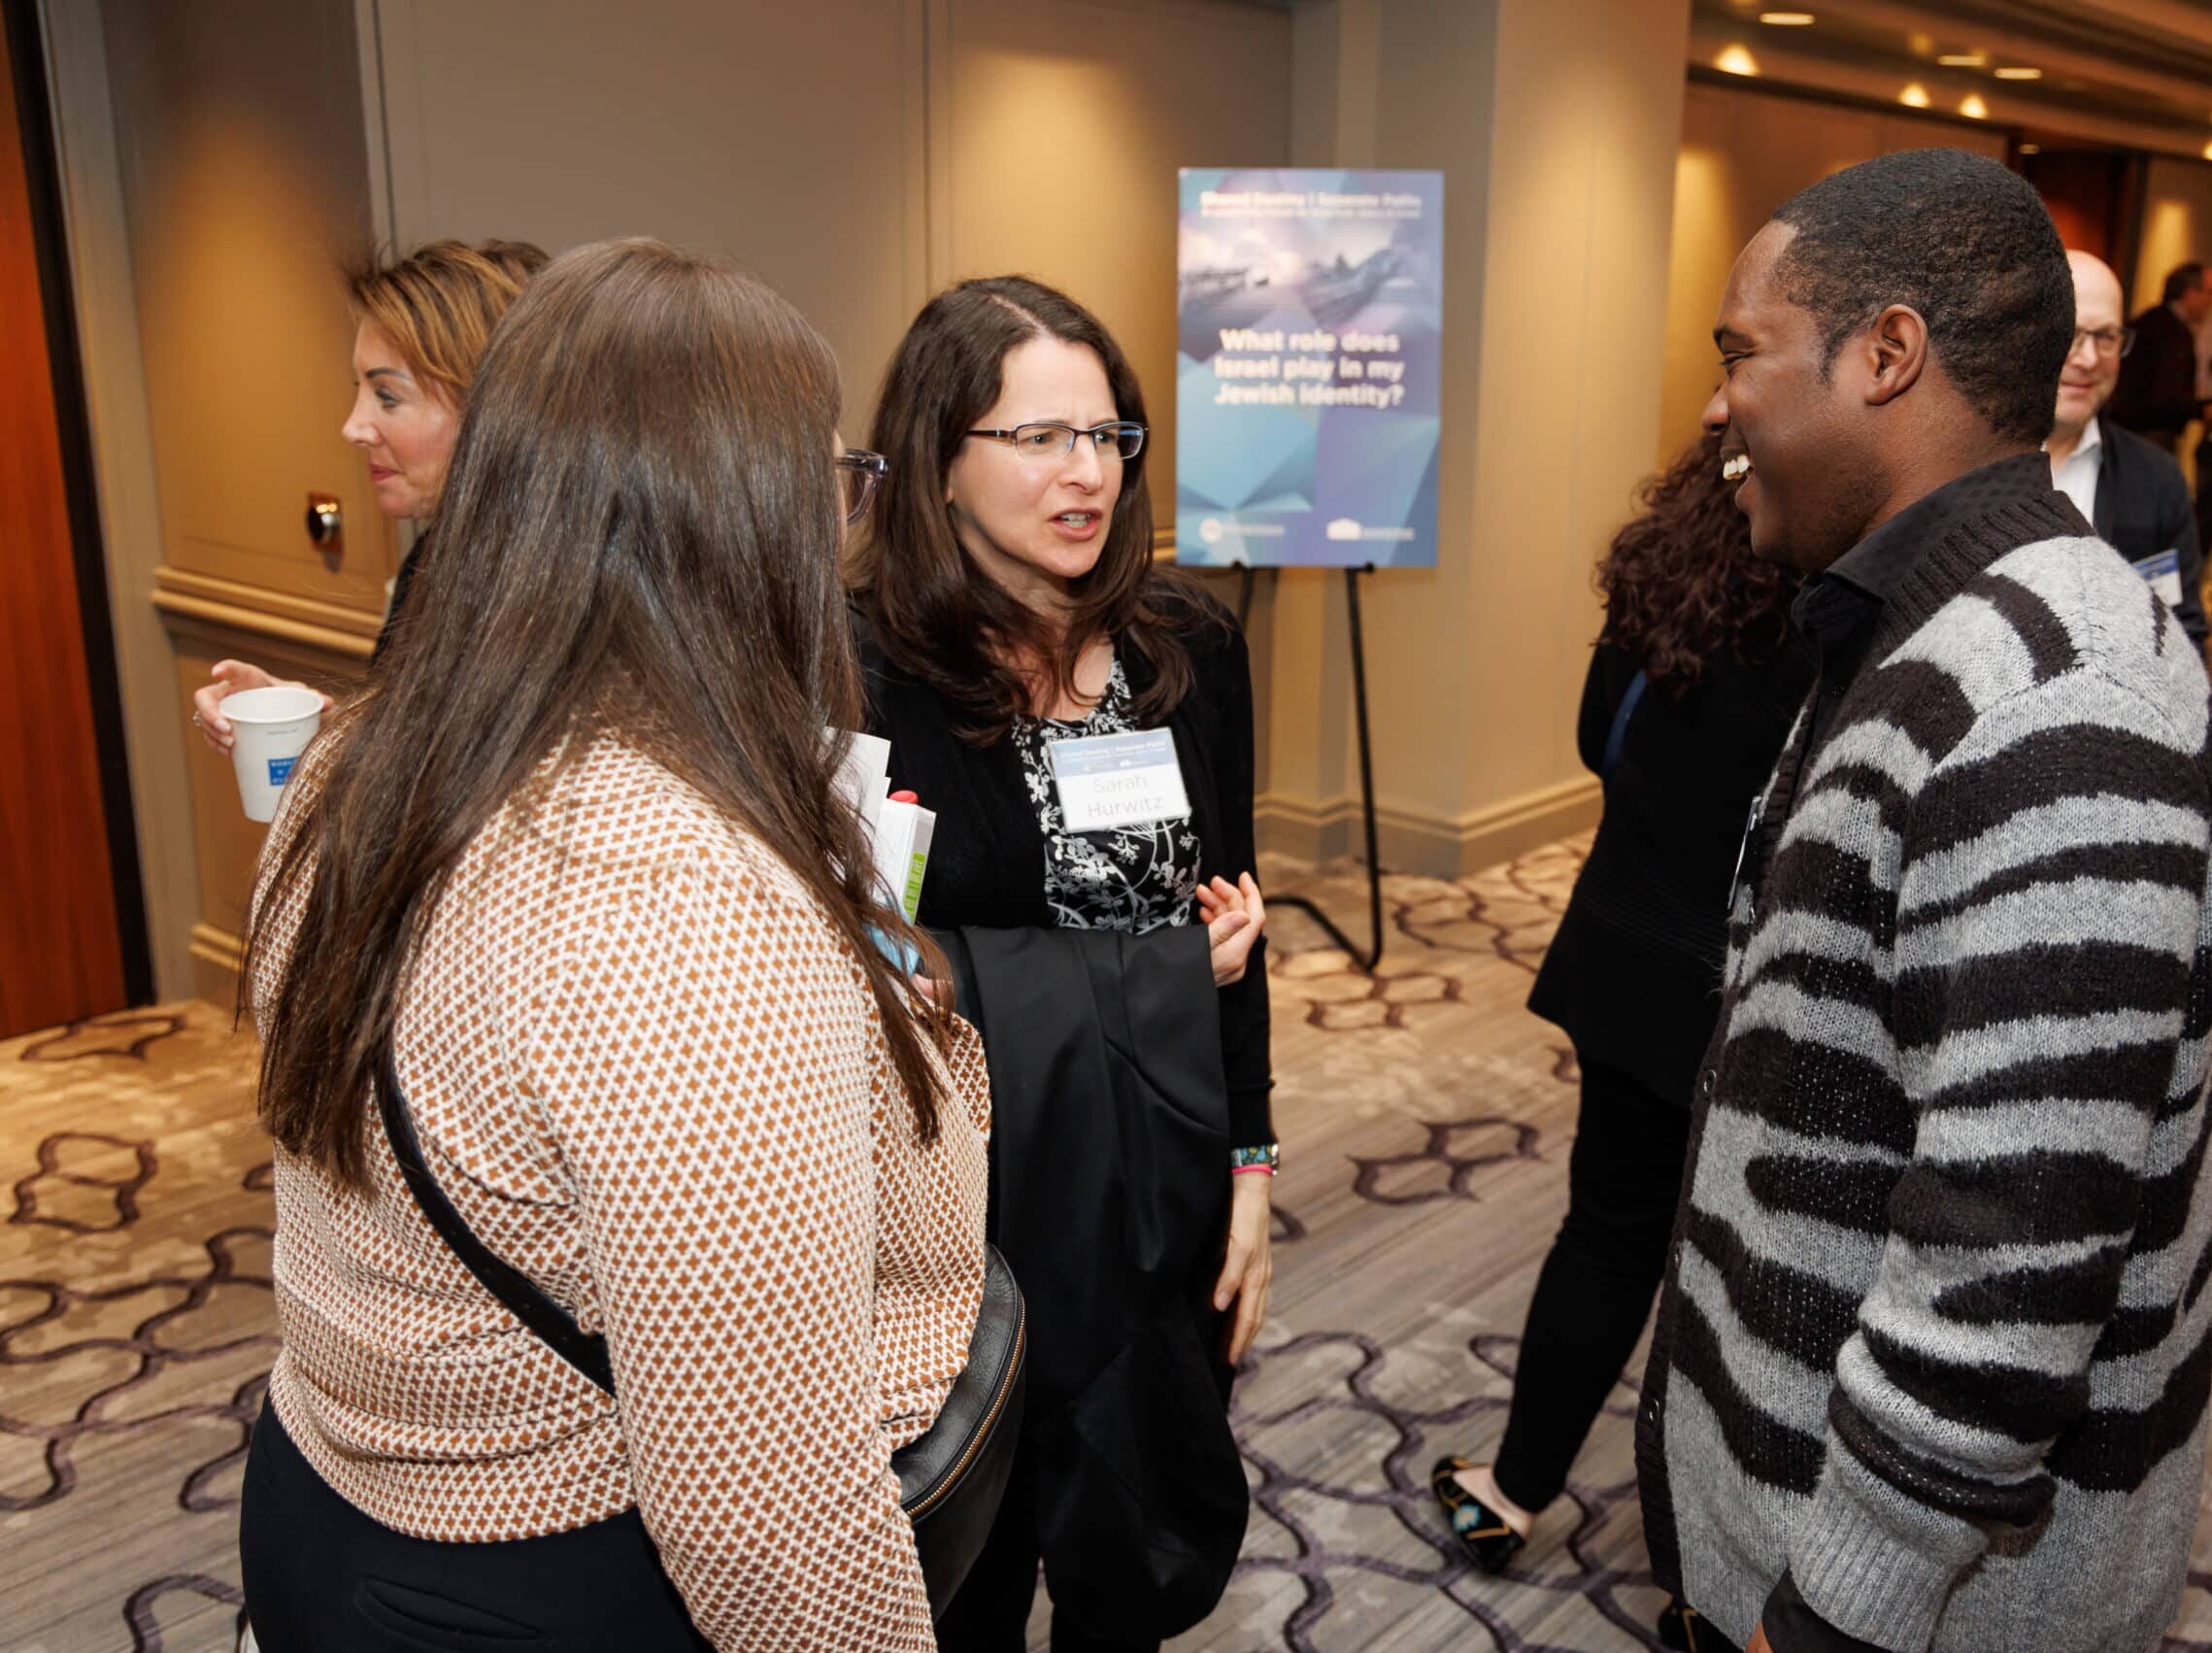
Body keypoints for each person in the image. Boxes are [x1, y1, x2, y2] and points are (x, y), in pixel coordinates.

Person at [238, 239, 989, 1651]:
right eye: (833, 483)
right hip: (552, 1578)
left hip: (321, 1502)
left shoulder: (348, 765)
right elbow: (760, 1509)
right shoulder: (681, 904)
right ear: (747, 516)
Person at [1639, 147, 2212, 1653]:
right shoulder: (1928, 631)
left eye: (1738, 353)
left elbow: (2007, 1255)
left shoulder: (2051, 696)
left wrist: (1838, 1609)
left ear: (1884, 354)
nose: (1715, 405)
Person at [848, 275, 1271, 1652]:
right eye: (1036, 438)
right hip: (956, 1208)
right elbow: (861, 964)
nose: (1084, 474)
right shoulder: (858, 670)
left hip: (1152, 1178)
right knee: (959, 1574)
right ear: (936, 457)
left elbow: (1232, 928)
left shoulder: (1185, 645)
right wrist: (1158, 975)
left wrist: (1249, 1168)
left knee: (1127, 1558)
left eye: (1107, 436)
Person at [1428, 431, 1811, 1578]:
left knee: (1607, 1227)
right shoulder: (1851, 619)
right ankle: (1732, 1557)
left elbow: (1599, 740)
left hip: (1632, 957)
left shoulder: (1665, 579)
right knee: (1754, 1273)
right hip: (1761, 987)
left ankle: (1509, 1490)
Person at [190, 238, 546, 753]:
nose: (354, 427)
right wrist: (316, 727)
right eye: (357, 391)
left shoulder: (557, 596)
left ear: (492, 407)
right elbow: (416, 761)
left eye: (387, 396)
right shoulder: (434, 559)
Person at [2046, 250, 2205, 651]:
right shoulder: (1957, 461)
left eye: (2105, 337)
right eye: (2069, 332)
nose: (2087, 358)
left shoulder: (2157, 479)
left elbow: (2184, 632)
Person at [2109, 259, 2210, 455]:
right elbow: (2166, 395)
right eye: (2209, 293)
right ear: (2190, 294)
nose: (2209, 302)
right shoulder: (2171, 333)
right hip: (2148, 434)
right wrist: (2200, 409)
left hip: (2128, 430)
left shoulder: (2151, 320)